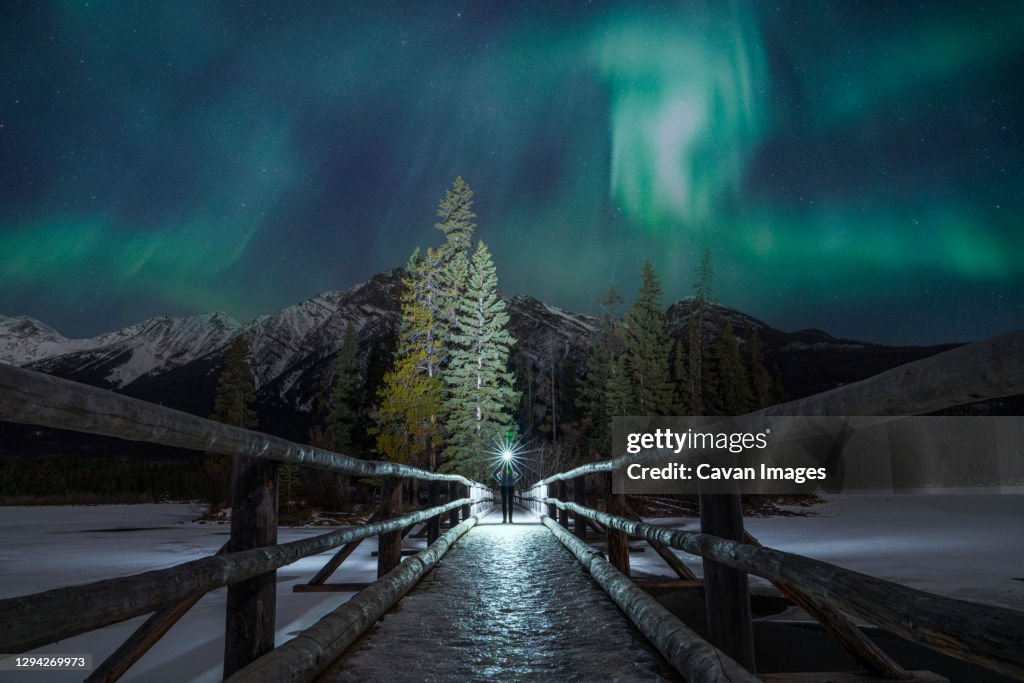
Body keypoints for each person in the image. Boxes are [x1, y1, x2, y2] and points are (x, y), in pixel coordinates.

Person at [492, 459, 523, 523]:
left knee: (510, 502)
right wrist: (499, 480)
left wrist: (514, 479)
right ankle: (505, 519)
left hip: (509, 486)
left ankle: (510, 519)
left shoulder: (512, 466)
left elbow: (520, 474)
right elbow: (494, 473)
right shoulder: (502, 466)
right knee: (505, 503)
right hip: (505, 486)